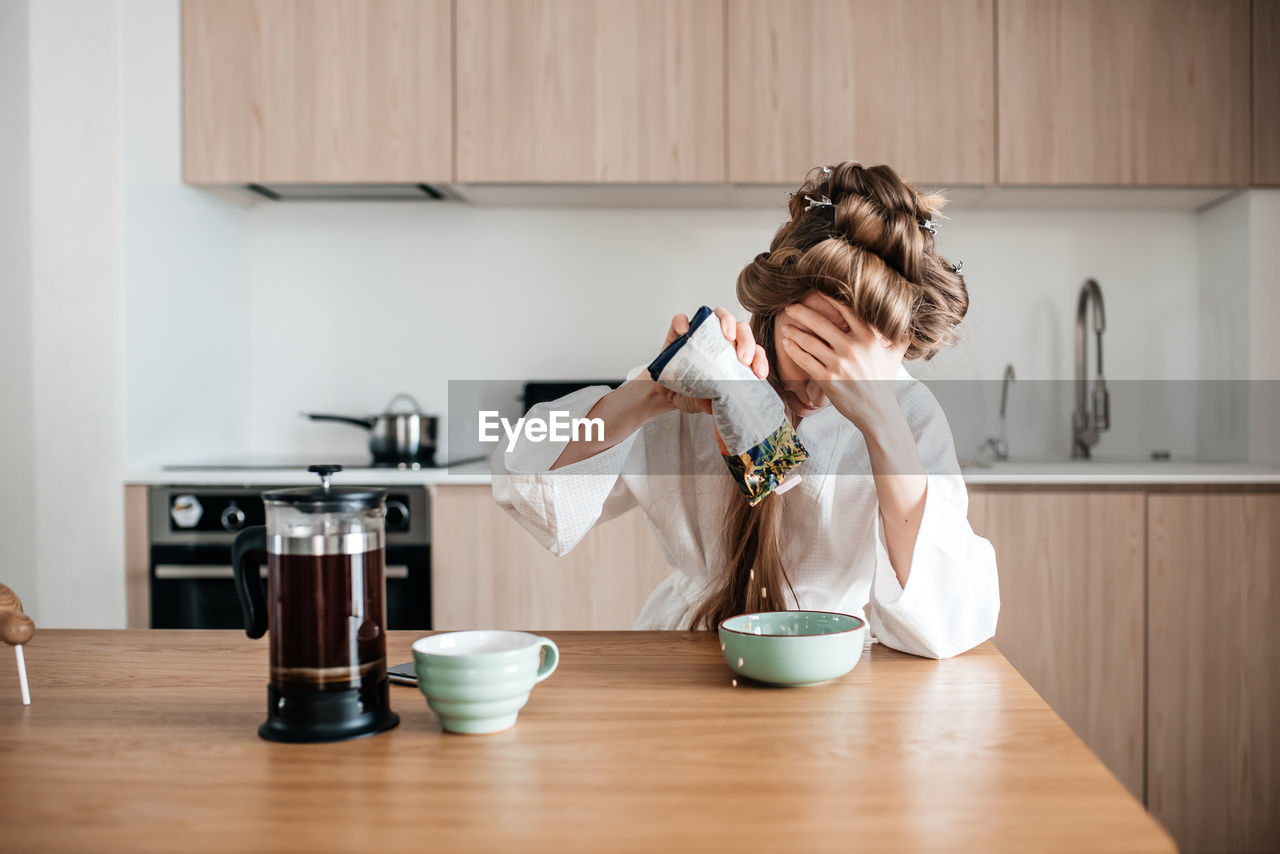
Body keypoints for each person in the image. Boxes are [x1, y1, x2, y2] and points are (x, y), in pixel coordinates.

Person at [491, 162, 998, 659]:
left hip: (831, 660)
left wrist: (882, 423)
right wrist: (652, 393)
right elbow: (527, 481)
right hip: (689, 652)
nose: (823, 391)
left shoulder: (910, 415)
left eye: (850, 365)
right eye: (813, 347)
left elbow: (947, 622)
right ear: (774, 311)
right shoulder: (712, 373)